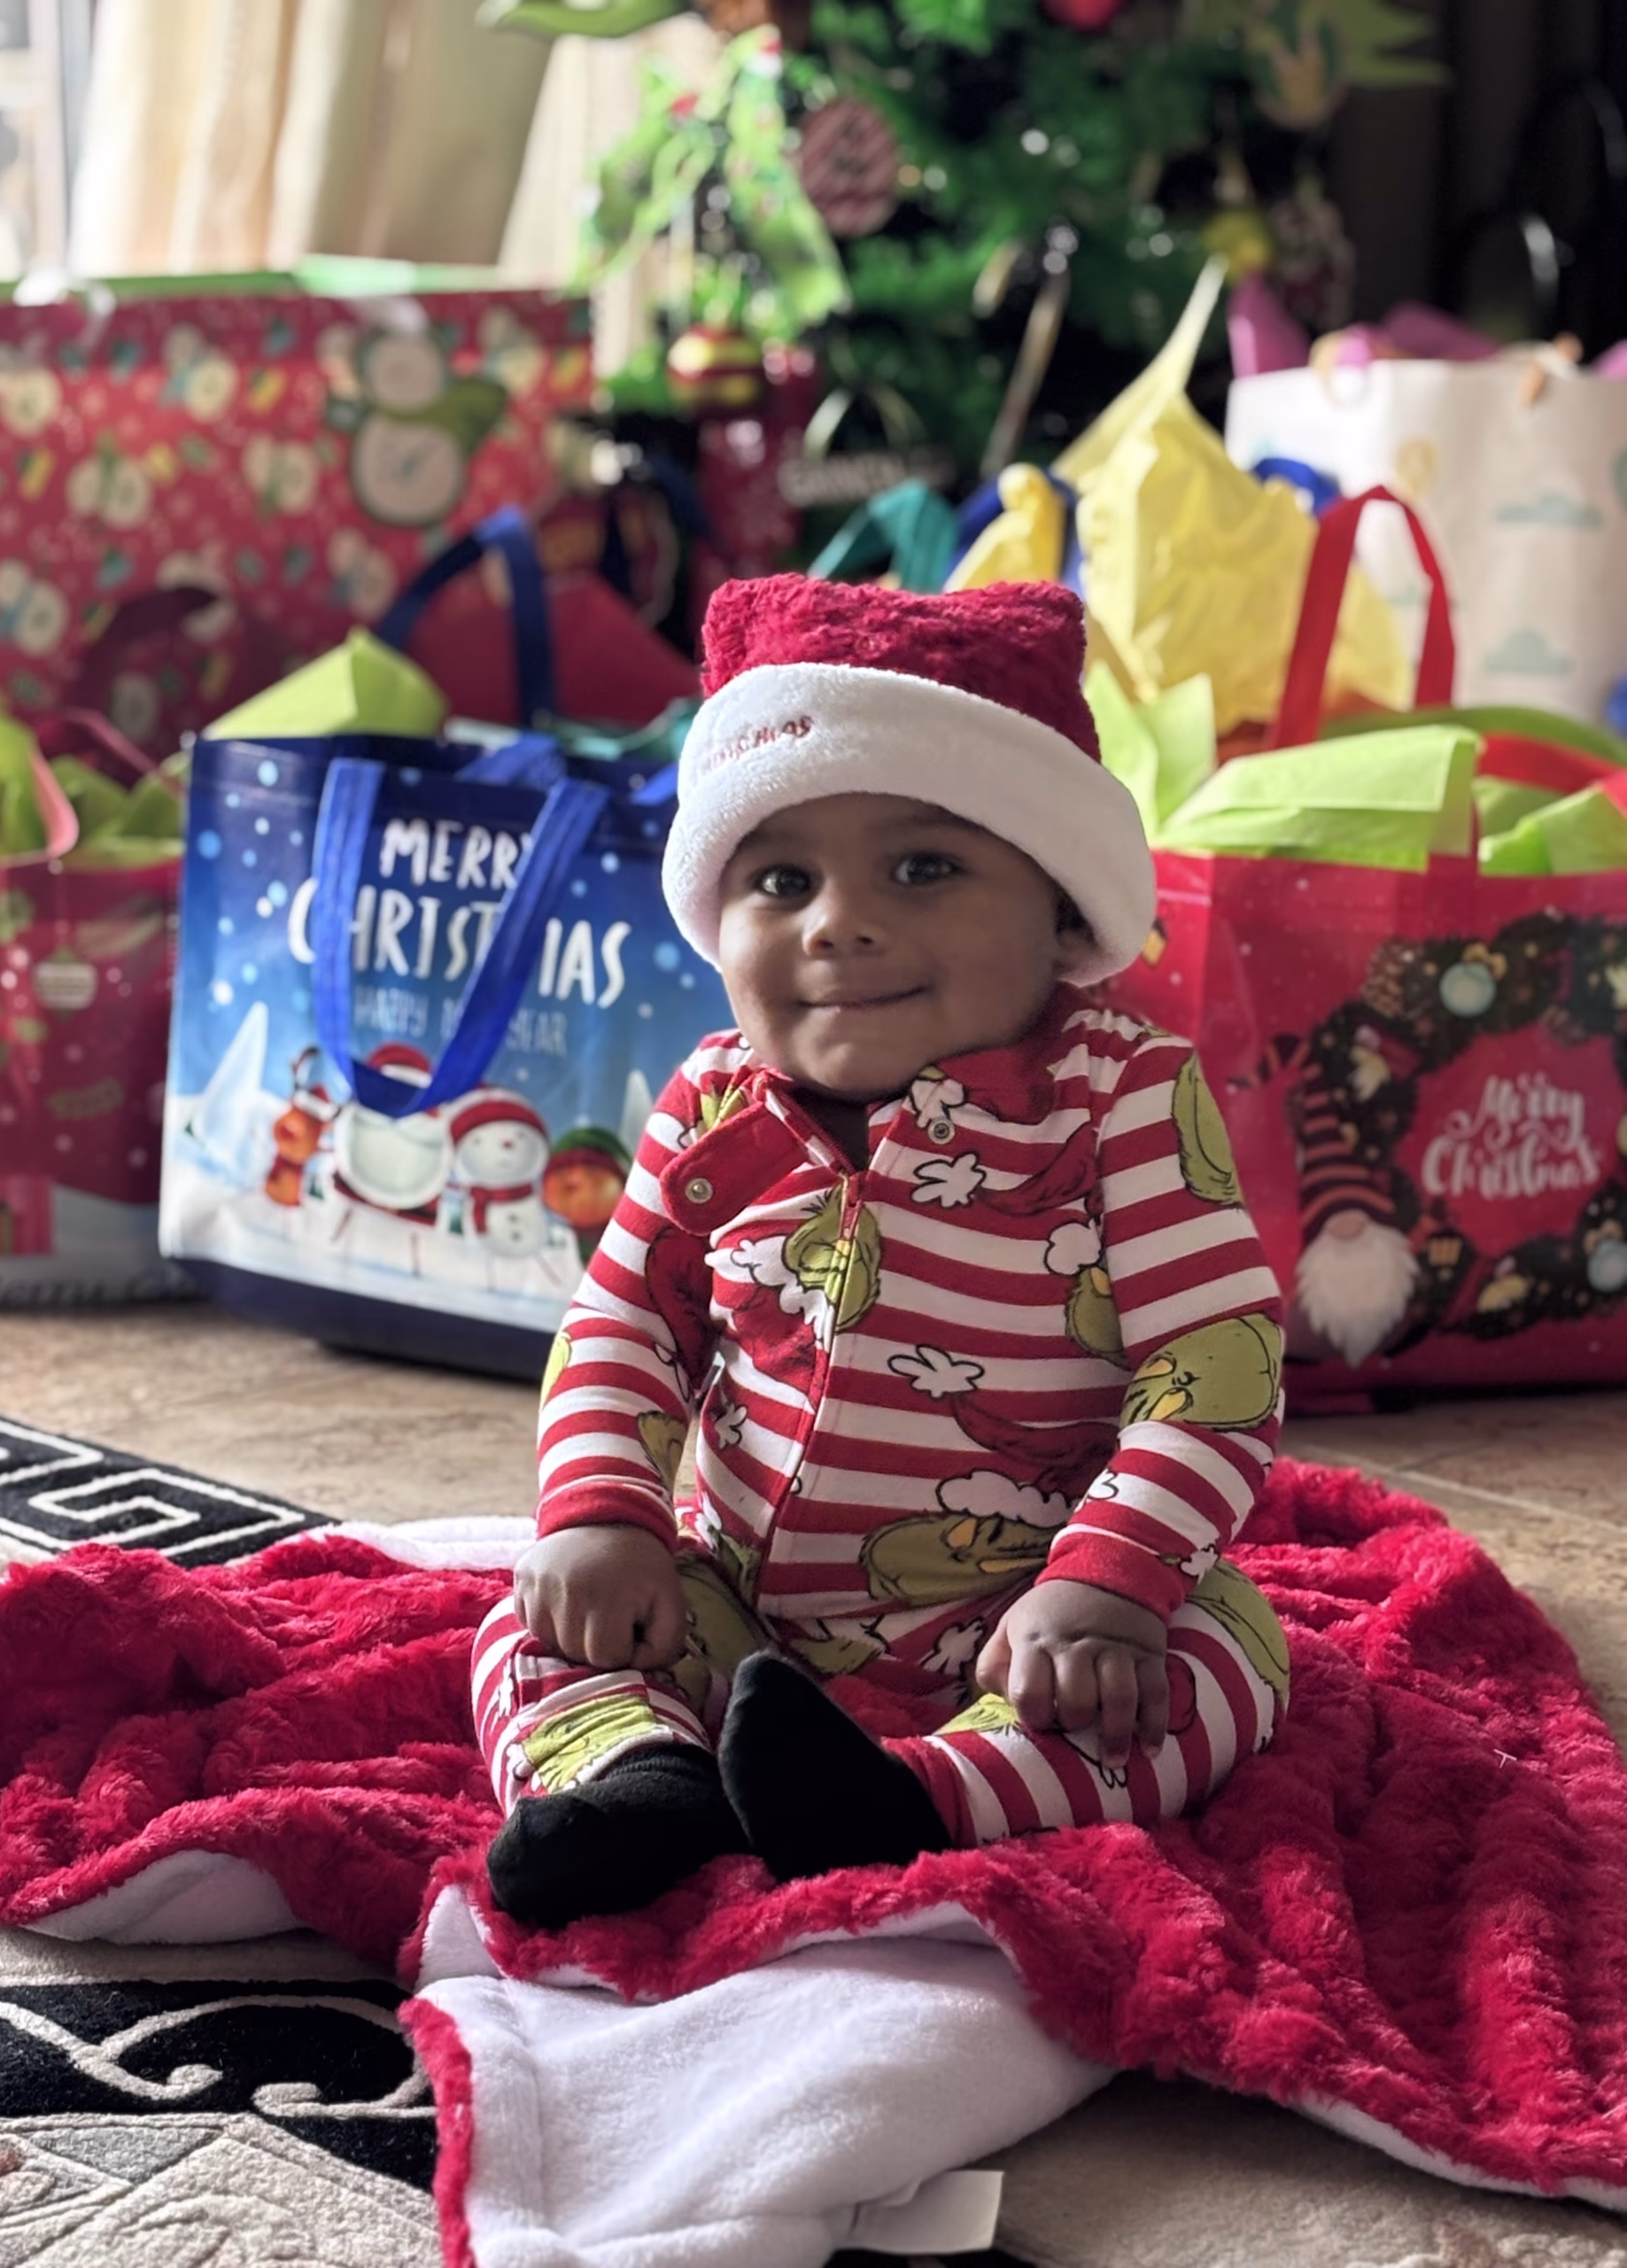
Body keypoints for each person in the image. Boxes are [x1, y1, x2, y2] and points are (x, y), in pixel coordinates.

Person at [472, 574, 1290, 1930]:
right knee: (530, 1619)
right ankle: (637, 1781)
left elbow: (1213, 1369)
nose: (837, 923)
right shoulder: (711, 1100)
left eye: (922, 868)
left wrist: (1110, 1586)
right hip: (742, 1611)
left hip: (1032, 1620)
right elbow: (624, 1326)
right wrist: (604, 1518)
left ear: (1060, 908)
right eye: (782, 880)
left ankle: (918, 1793)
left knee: (1228, 1662)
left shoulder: (1126, 1096)